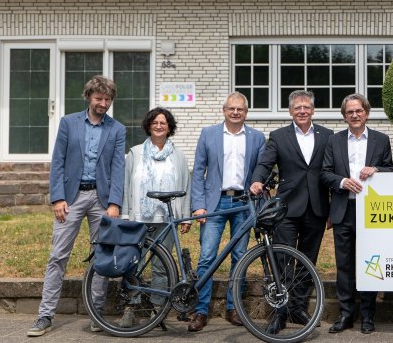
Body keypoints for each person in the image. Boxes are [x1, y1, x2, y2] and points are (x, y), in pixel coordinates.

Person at [28, 75, 126, 337]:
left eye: (107, 99)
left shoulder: (117, 129)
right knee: (58, 256)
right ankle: (45, 315)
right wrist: (57, 198)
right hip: (70, 199)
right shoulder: (68, 123)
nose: (103, 103)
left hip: (102, 201)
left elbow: (118, 169)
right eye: (99, 98)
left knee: (101, 257)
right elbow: (57, 162)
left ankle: (96, 315)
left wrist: (115, 203)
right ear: (88, 97)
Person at [250, 90, 334, 330]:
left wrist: (332, 209)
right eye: (297, 107)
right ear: (290, 111)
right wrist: (257, 180)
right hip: (286, 209)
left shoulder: (327, 136)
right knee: (283, 261)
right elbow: (265, 163)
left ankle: (298, 308)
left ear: (313, 110)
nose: (302, 111)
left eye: (307, 107)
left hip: (317, 207)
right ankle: (280, 313)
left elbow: (331, 169)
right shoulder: (278, 136)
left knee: (308, 261)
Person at [189, 92, 266, 332]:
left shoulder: (256, 137)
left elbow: (260, 170)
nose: (235, 112)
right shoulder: (208, 134)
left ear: (246, 112)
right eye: (231, 108)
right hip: (215, 204)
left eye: (240, 109)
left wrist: (258, 188)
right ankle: (200, 311)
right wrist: (198, 204)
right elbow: (198, 172)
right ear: (224, 110)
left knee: (240, 258)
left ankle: (234, 309)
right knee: (207, 257)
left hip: (243, 203)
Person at [321, 94, 393, 334]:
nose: (354, 115)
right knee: (344, 266)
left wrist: (376, 170)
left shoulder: (381, 140)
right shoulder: (334, 141)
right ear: (344, 116)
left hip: (371, 212)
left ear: (366, 113)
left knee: (370, 264)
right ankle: (345, 315)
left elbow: (390, 170)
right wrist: (342, 181)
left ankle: (367, 316)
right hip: (344, 209)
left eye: (358, 111)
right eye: (350, 112)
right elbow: (325, 173)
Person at [119, 107, 192, 325]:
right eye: (155, 122)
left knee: (162, 266)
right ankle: (131, 307)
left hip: (166, 220)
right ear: (149, 126)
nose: (159, 126)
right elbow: (126, 185)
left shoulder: (178, 156)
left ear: (169, 127)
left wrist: (185, 216)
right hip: (139, 217)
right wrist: (125, 214)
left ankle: (157, 310)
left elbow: (185, 186)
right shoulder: (135, 153)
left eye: (163, 123)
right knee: (134, 262)